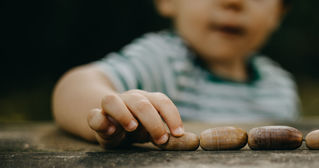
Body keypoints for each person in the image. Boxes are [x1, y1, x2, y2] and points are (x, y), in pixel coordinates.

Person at [52, 0, 300, 148]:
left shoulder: (279, 88)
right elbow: (73, 87)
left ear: (279, 13)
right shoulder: (163, 60)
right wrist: (113, 115)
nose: (233, 1)